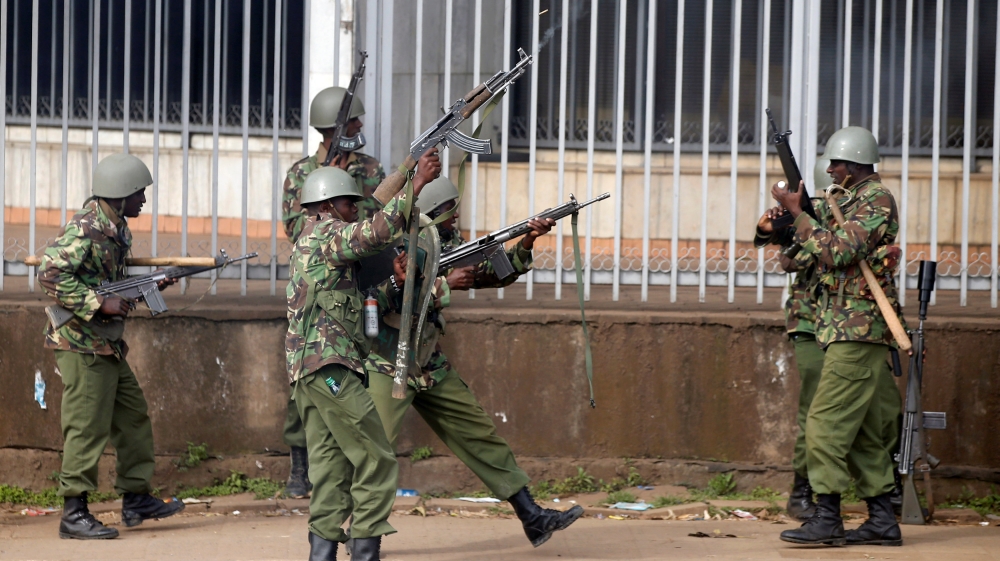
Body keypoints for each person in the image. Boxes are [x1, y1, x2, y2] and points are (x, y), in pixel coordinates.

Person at [364, 176, 584, 548]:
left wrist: (527, 240)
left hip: (428, 364)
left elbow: (491, 275)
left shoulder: (445, 245)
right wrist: (444, 286)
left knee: (480, 435)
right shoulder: (397, 248)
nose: (458, 218)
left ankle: (532, 517)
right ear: (436, 213)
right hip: (390, 364)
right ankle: (363, 541)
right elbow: (381, 300)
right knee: (375, 455)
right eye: (452, 212)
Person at [286, 152, 441, 561]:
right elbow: (377, 231)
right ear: (325, 207)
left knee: (331, 468)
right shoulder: (322, 234)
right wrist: (417, 183)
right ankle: (366, 549)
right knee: (376, 456)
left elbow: (361, 305)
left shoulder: (324, 251)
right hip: (329, 369)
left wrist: (396, 280)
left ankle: (321, 554)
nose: (354, 209)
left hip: (318, 374)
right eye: (348, 203)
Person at [770, 127, 905, 547]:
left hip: (859, 329)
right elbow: (795, 256)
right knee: (863, 429)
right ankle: (882, 520)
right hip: (839, 329)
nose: (830, 170)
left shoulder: (876, 200)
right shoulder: (842, 200)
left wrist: (803, 216)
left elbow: (837, 252)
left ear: (856, 164)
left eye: (836, 164)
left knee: (824, 423)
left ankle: (826, 516)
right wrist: (798, 210)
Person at [38, 153, 184, 539]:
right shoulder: (86, 228)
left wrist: (149, 284)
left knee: (133, 417)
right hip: (81, 345)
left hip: (105, 344)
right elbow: (49, 271)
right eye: (138, 194)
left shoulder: (116, 227)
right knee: (86, 428)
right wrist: (96, 303)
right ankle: (73, 512)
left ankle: (136, 497)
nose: (143, 201)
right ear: (119, 196)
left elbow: (109, 279)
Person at [280, 86, 386, 498]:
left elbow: (376, 219)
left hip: (357, 282)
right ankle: (300, 464)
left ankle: (344, 466)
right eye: (352, 121)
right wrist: (324, 183)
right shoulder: (301, 174)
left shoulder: (370, 168)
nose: (359, 127)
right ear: (331, 129)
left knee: (353, 360)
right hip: (315, 284)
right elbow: (296, 229)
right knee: (310, 366)